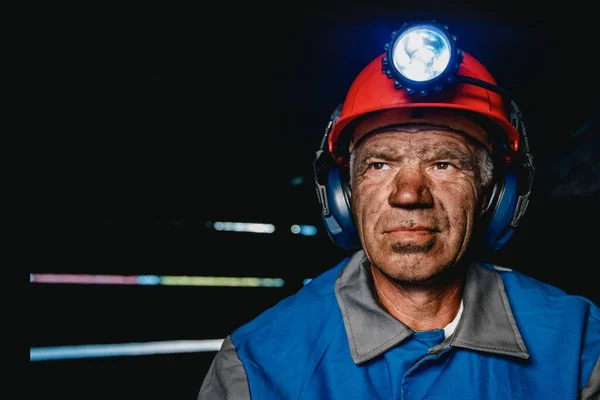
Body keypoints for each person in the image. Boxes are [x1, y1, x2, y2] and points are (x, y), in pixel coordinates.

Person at [198, 21, 600, 399]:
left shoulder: (579, 345)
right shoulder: (256, 364)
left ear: (495, 195)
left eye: (443, 163)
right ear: (343, 195)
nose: (409, 195)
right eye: (379, 164)